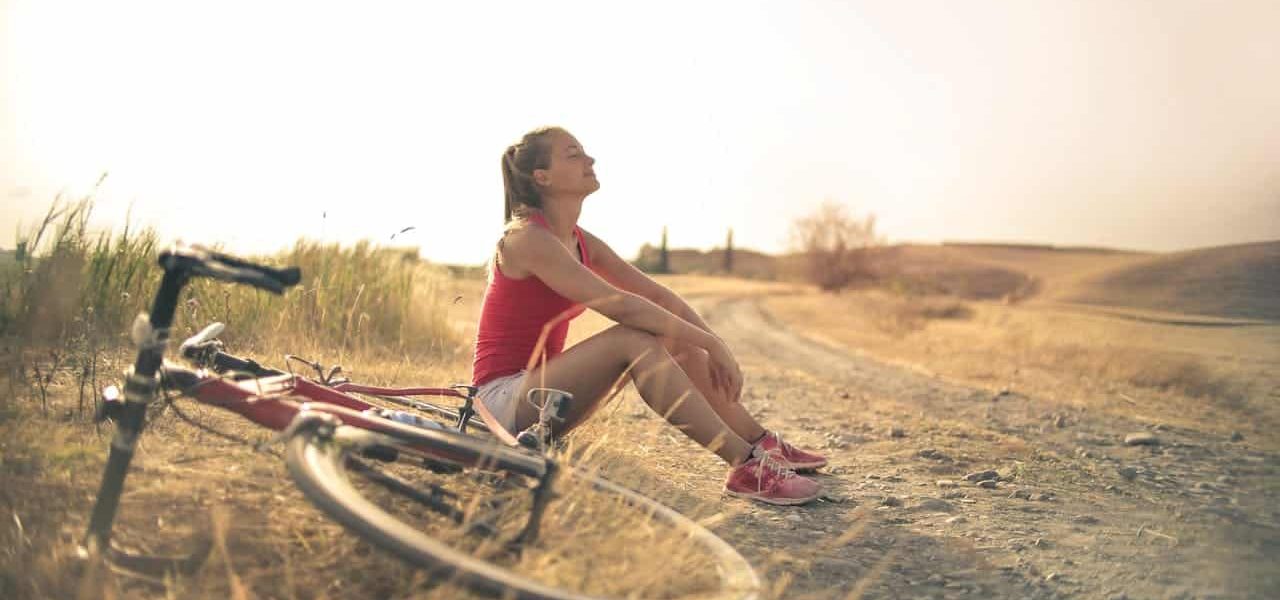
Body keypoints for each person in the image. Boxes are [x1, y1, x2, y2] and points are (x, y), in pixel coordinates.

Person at [472, 126, 826, 506]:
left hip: (545, 401)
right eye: (573, 155)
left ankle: (761, 443)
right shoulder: (526, 238)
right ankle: (744, 465)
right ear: (542, 177)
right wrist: (709, 342)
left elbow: (655, 294)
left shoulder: (579, 240)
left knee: (673, 336)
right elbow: (619, 304)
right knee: (633, 338)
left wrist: (711, 342)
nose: (589, 160)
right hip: (499, 404)